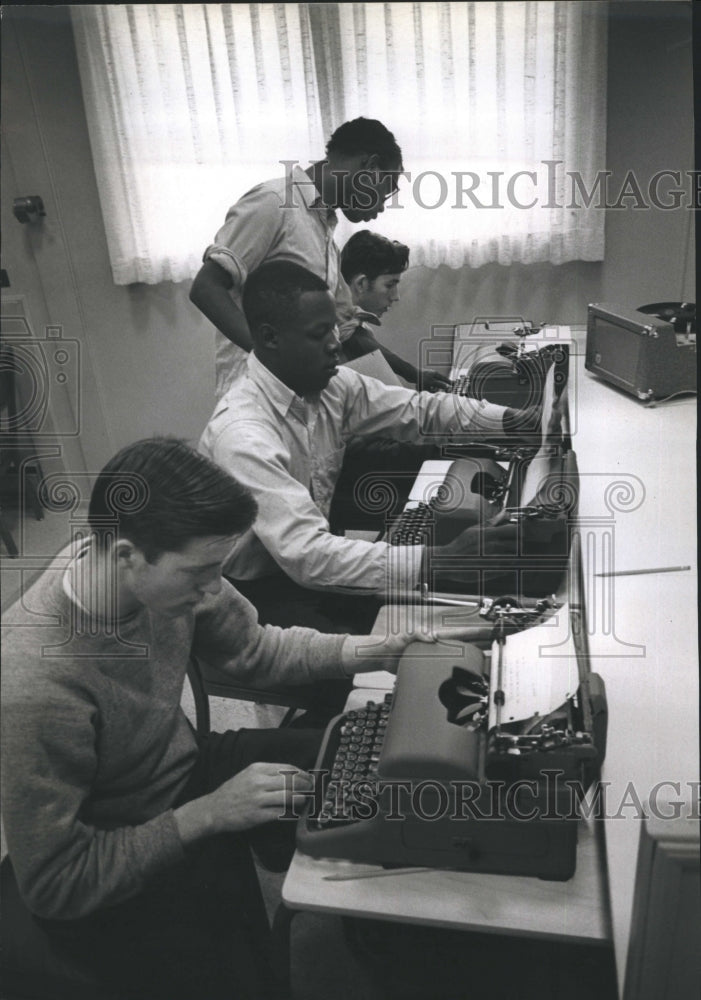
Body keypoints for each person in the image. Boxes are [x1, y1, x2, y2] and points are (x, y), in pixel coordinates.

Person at [0, 438, 457, 1000]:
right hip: (117, 841)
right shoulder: (33, 682)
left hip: (181, 768)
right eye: (202, 572)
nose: (215, 589)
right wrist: (210, 814)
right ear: (125, 556)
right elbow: (55, 882)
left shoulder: (165, 576)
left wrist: (370, 651)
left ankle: (396, 941)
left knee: (385, 773)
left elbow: (255, 648)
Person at [199, 261, 531, 635]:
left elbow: (418, 409)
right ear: (270, 337)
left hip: (296, 569)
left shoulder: (327, 384)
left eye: (334, 331)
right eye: (319, 333)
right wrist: (440, 559)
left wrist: (511, 421)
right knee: (395, 634)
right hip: (250, 595)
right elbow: (308, 556)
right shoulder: (243, 434)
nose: (334, 345)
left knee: (426, 607)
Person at [189, 117, 405, 400]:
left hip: (298, 393)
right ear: (370, 168)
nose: (381, 207)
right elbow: (206, 288)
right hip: (258, 395)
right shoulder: (274, 202)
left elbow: (345, 324)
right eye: (384, 192)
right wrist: (271, 359)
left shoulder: (322, 227)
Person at [339, 229, 451, 392]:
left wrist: (415, 375)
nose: (396, 296)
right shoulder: (337, 322)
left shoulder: (358, 327)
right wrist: (414, 374)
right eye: (389, 285)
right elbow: (356, 339)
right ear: (361, 284)